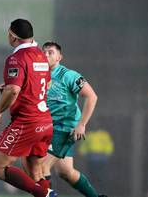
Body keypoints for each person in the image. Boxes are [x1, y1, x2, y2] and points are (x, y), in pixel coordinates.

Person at [0, 19, 57, 197]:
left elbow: (13, 91)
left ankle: (46, 195)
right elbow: (46, 84)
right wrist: (14, 85)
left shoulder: (16, 58)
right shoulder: (41, 55)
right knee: (35, 173)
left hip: (27, 122)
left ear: (12, 36)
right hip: (45, 122)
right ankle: (47, 193)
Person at [41, 42, 107, 197]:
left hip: (65, 128)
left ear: (59, 57)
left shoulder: (69, 75)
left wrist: (81, 124)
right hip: (48, 127)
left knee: (41, 167)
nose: (46, 55)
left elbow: (92, 96)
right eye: (43, 52)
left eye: (50, 52)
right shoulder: (40, 74)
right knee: (65, 172)